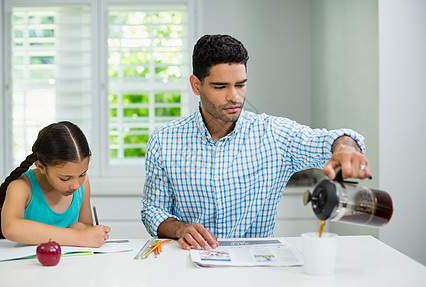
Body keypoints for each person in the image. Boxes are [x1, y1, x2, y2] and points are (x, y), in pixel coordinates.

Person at [141, 34, 372, 251]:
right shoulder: (164, 141)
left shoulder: (274, 134)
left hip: (257, 268)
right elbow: (153, 211)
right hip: (189, 262)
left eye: (240, 84)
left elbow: (329, 140)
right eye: (221, 87)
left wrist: (344, 148)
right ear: (196, 85)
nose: (235, 96)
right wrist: (181, 228)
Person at [0, 121, 111, 247]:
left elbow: (86, 225)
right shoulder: (21, 187)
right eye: (65, 178)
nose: (76, 185)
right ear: (41, 166)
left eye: (82, 174)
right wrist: (77, 236)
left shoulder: (83, 184)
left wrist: (81, 228)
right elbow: (11, 228)